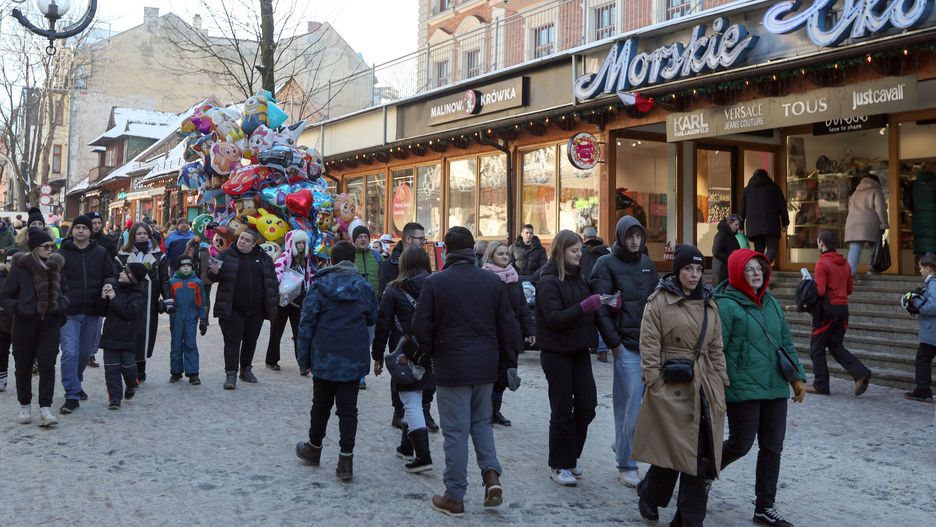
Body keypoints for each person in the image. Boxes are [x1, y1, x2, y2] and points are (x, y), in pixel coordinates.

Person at [411, 226, 519, 517]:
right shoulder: (491, 281)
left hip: (451, 366)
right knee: (481, 424)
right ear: (472, 250)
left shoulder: (435, 282)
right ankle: (491, 476)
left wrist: (430, 353)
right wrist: (507, 362)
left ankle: (455, 495)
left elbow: (420, 326)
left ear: (446, 250)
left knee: (456, 431)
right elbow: (507, 325)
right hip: (485, 366)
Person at [633, 244, 728, 526]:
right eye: (688, 268)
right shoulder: (659, 301)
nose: (694, 274)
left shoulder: (710, 303)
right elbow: (649, 344)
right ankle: (649, 493)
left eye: (699, 269)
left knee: (698, 454)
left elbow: (716, 346)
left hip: (703, 385)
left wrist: (721, 382)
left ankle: (689, 519)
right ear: (677, 271)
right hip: (671, 383)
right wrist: (654, 381)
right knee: (672, 452)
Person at [715, 249, 807, 527]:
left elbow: (785, 342)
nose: (757, 274)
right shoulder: (725, 305)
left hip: (774, 385)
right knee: (740, 444)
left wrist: (796, 378)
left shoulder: (771, 302)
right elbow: (716, 349)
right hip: (742, 385)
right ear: (737, 273)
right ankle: (703, 471)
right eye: (749, 269)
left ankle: (765, 506)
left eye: (759, 269)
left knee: (772, 447)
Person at [294, 241, 378, 482]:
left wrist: (303, 359)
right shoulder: (364, 287)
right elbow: (373, 317)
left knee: (321, 403)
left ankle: (314, 448)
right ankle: (345, 461)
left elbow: (306, 324)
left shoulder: (319, 286)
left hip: (324, 355)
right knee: (348, 409)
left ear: (331, 259)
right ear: (353, 260)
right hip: (352, 356)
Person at [591, 216, 658, 487]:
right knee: (629, 407)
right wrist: (614, 344)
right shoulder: (605, 264)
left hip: (649, 344)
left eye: (638, 235)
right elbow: (600, 307)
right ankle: (627, 463)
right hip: (626, 346)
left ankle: (623, 444)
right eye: (629, 236)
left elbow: (656, 301)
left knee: (649, 407)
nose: (634, 241)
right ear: (620, 236)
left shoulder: (647, 263)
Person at [535, 230, 603, 487]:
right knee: (562, 409)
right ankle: (559, 463)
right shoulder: (548, 281)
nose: (579, 255)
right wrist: (584, 307)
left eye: (580, 250)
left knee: (587, 406)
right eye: (574, 251)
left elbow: (587, 312)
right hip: (556, 353)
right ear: (561, 251)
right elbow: (554, 319)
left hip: (579, 350)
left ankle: (571, 456)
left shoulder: (580, 278)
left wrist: (605, 304)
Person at [372, 246, 435, 473]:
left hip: (405, 352)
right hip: (431, 351)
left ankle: (423, 457)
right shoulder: (436, 286)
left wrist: (377, 356)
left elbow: (383, 325)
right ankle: (406, 447)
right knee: (419, 399)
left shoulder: (393, 289)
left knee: (410, 400)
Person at [1, 229, 69, 427]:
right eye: (46, 246)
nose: (50, 249)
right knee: (23, 365)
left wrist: (60, 305)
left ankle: (46, 408)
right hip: (24, 323)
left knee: (47, 364)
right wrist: (22, 309)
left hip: (50, 323)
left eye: (52, 246)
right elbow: (5, 296)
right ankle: (25, 406)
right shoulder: (20, 268)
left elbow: (66, 292)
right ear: (34, 248)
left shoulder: (56, 266)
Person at [376, 222, 436, 431]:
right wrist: (378, 353)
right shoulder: (388, 268)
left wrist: (377, 355)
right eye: (421, 239)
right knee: (402, 373)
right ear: (409, 239)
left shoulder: (431, 282)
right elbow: (384, 315)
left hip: (419, 337)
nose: (424, 242)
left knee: (425, 374)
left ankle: (422, 412)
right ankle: (400, 412)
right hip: (401, 335)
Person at [57, 215, 117, 415]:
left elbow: (110, 274)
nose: (81, 231)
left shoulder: (100, 252)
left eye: (84, 227)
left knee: (84, 354)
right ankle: (71, 395)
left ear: (91, 231)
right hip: (68, 311)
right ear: (72, 231)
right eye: (77, 227)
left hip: (92, 309)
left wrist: (109, 284)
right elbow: (53, 279)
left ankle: (76, 381)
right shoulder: (61, 253)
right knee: (70, 352)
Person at [207, 229, 278, 390]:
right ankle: (231, 374)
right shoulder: (226, 255)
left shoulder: (264, 258)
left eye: (247, 240)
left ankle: (246, 369)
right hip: (232, 308)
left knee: (251, 340)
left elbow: (271, 282)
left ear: (254, 244)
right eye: (241, 238)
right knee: (232, 342)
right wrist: (213, 272)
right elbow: (212, 275)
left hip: (256, 310)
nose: (242, 241)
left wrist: (272, 304)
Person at [806, 231, 873, 396]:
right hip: (843, 309)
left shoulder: (822, 264)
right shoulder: (845, 264)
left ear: (822, 243)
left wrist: (807, 284)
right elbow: (849, 290)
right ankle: (860, 373)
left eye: (818, 241)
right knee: (835, 345)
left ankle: (821, 385)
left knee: (816, 348)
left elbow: (820, 291)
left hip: (827, 311)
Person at [482, 240, 536, 427]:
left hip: (511, 333)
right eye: (500, 254)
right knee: (491, 374)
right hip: (491, 334)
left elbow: (522, 306)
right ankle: (486, 412)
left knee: (506, 374)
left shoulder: (514, 277)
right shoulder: (485, 278)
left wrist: (530, 329)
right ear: (491, 256)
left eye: (506, 253)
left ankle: (495, 411)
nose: (505, 257)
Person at [115, 222, 169, 385]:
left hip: (149, 301)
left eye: (145, 233)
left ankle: (141, 368)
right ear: (133, 236)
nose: (142, 236)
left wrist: (167, 299)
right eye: (139, 234)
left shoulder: (159, 256)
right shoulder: (123, 255)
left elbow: (164, 279)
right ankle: (130, 368)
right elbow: (116, 276)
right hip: (129, 301)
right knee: (129, 333)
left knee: (145, 335)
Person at [100, 262, 148, 409]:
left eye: (124, 272)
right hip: (111, 335)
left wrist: (114, 299)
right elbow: (102, 311)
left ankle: (131, 384)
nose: (120, 273)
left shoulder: (139, 295)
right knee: (111, 369)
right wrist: (103, 298)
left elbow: (129, 313)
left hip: (128, 337)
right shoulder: (115, 288)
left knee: (129, 368)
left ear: (131, 277)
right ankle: (115, 398)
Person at [267, 230, 315, 371]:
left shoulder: (306, 259)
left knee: (300, 332)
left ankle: (303, 364)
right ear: (291, 243)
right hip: (283, 299)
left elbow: (310, 275)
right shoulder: (285, 256)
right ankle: (272, 360)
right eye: (297, 243)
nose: (300, 245)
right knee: (276, 331)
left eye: (303, 243)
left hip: (299, 300)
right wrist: (278, 288)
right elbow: (277, 272)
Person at [167, 255, 208, 385]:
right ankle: (176, 372)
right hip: (176, 318)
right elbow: (168, 300)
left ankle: (193, 373)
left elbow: (202, 302)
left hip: (191, 317)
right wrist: (166, 307)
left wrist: (203, 319)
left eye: (188, 266)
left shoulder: (197, 283)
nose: (186, 268)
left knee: (190, 344)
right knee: (176, 345)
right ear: (178, 267)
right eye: (183, 266)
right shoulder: (172, 282)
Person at [844, 174, 889, 281]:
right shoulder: (875, 191)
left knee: (854, 248)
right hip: (869, 223)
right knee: (875, 247)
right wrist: (884, 224)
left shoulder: (855, 192)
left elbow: (849, 208)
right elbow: (880, 208)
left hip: (853, 223)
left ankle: (850, 273)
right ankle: (872, 269)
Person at [740, 169, 789, 264]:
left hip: (754, 226)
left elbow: (742, 209)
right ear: (767, 176)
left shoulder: (747, 190)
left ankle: (758, 267)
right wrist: (785, 222)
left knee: (759, 249)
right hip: (771, 225)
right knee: (772, 248)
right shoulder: (774, 188)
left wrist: (741, 226)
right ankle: (762, 267)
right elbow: (782, 206)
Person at [905, 254, 936, 403]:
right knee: (923, 358)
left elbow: (933, 306)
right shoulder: (930, 284)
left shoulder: (933, 283)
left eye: (921, 267)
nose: (920, 270)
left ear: (928, 268)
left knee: (922, 359)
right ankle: (923, 391)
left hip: (932, 331)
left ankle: (923, 391)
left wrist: (916, 301)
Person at [0, 248, 19, 392]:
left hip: (20, 321)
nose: (12, 264)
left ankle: (22, 379)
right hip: (2, 322)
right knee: (1, 350)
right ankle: (2, 378)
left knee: (21, 353)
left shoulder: (26, 278)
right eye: (9, 261)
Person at [908, 169, 936, 257]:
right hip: (933, 218)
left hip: (918, 218)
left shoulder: (913, 185)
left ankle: (924, 262)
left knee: (921, 242)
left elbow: (907, 201)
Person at [712, 214, 742, 284]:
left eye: (738, 225)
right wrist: (731, 258)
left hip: (727, 270)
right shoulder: (721, 235)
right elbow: (716, 251)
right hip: (721, 271)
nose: (738, 227)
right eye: (736, 224)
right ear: (729, 223)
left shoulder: (731, 235)